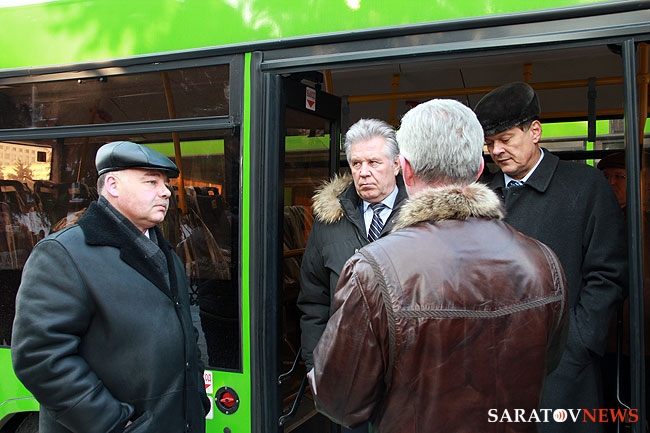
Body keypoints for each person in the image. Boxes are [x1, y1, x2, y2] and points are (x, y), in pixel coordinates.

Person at [309, 99, 569, 432]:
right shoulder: (543, 261)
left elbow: (340, 403)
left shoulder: (373, 269)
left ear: (405, 169)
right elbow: (546, 363)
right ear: (479, 168)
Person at [12, 141, 210, 433]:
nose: (166, 192)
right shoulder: (63, 253)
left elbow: (185, 335)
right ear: (113, 185)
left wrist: (196, 401)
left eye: (165, 184)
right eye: (151, 182)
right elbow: (41, 358)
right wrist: (114, 424)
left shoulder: (166, 253)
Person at [474, 82, 628, 433]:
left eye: (506, 139)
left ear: (535, 131)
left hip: (562, 369)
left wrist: (578, 341)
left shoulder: (585, 186)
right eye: (490, 143)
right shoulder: (482, 196)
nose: (497, 151)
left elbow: (608, 273)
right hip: (491, 370)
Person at [297, 118, 407, 432]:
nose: (363, 172)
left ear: (396, 165)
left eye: (374, 162)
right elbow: (313, 301)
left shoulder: (424, 218)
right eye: (356, 163)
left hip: (407, 382)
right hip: (348, 380)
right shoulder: (329, 222)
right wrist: (316, 366)